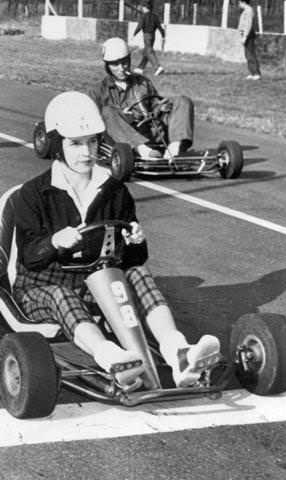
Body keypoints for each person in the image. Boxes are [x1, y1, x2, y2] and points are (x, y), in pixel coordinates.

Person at [13, 91, 221, 390]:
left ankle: (178, 353)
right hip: (42, 282)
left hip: (96, 278)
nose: (86, 152)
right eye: (75, 143)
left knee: (138, 273)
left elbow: (133, 260)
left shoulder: (114, 190)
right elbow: (29, 257)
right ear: (56, 144)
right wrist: (55, 241)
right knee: (62, 295)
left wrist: (135, 242)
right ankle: (112, 358)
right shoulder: (34, 194)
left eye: (93, 142)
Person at [88, 37, 194, 160]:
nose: (121, 68)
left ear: (129, 59)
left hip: (150, 130)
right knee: (108, 111)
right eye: (115, 64)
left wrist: (161, 107)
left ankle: (174, 147)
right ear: (107, 65)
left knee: (182, 101)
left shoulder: (142, 82)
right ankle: (142, 150)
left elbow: (154, 106)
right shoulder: (98, 91)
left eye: (124, 62)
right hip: (123, 137)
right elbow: (93, 124)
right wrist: (122, 116)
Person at [132, 3, 165, 76]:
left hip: (146, 35)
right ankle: (140, 68)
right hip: (153, 36)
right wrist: (163, 36)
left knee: (149, 52)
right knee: (146, 51)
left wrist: (134, 34)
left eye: (143, 8)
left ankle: (158, 67)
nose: (142, 9)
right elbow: (160, 27)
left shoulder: (143, 16)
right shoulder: (155, 16)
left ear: (145, 8)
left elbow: (140, 26)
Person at [237, 0, 261, 80]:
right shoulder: (245, 11)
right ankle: (252, 72)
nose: (239, 5)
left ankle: (256, 73)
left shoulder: (248, 11)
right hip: (246, 34)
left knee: (250, 54)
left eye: (239, 3)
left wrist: (245, 36)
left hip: (248, 34)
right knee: (247, 54)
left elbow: (248, 24)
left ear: (243, 2)